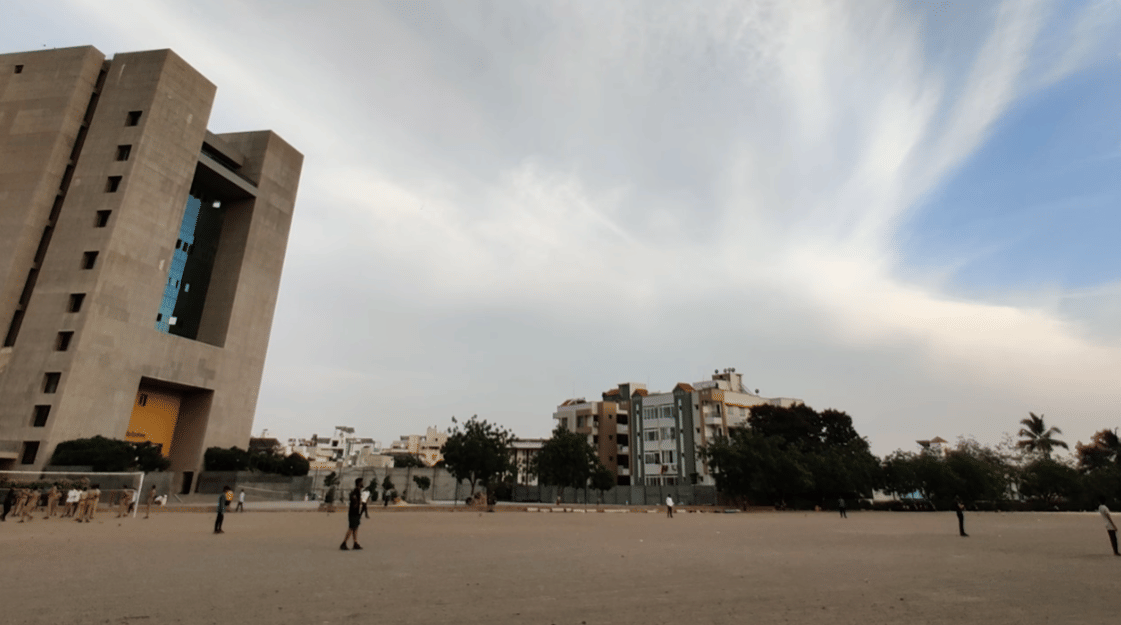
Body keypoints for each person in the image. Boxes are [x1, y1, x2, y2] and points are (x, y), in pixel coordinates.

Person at [340, 478, 364, 551]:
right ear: (359, 483)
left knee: (355, 528)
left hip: (356, 513)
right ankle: (344, 543)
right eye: (362, 482)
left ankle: (355, 543)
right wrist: (356, 503)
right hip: (353, 513)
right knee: (351, 528)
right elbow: (353, 499)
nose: (363, 483)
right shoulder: (355, 491)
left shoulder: (358, 491)